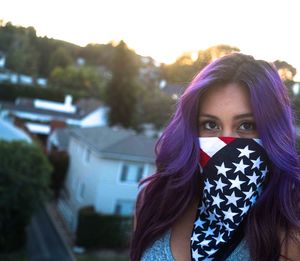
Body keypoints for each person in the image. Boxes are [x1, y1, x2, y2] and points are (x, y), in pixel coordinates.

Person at [130, 53, 300, 261]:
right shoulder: (154, 199)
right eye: (211, 125)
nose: (225, 143)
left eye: (246, 125)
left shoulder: (291, 226)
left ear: (273, 132)